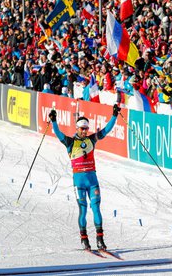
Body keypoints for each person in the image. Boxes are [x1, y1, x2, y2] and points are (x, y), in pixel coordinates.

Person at [48, 104, 121, 251]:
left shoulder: (92, 140)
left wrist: (114, 115)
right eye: (82, 129)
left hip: (92, 181)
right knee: (83, 209)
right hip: (79, 182)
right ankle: (84, 239)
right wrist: (54, 120)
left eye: (86, 129)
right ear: (77, 128)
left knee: (96, 208)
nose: (85, 131)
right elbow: (57, 132)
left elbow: (106, 130)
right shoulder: (70, 142)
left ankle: (100, 239)